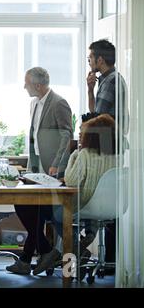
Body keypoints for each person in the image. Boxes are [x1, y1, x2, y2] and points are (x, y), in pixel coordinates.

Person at [6, 67, 72, 275]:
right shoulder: (34, 103)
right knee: (24, 205)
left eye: (26, 83)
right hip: (36, 168)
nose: (24, 86)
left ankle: (28, 259)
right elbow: (34, 136)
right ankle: (44, 252)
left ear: (37, 84)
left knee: (38, 211)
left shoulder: (59, 103)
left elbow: (66, 136)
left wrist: (57, 164)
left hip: (52, 169)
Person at [87, 39, 129, 267]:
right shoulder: (108, 80)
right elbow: (97, 115)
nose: (89, 62)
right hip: (110, 146)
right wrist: (90, 90)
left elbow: (97, 120)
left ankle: (109, 259)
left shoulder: (111, 81)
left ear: (100, 60)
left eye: (90, 58)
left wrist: (90, 91)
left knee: (106, 204)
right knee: (110, 206)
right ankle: (109, 258)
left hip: (108, 148)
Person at [53, 113, 116, 261]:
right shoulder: (117, 156)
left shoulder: (85, 154)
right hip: (113, 208)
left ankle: (74, 247)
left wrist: (75, 154)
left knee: (55, 213)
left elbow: (70, 181)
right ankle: (79, 246)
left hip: (86, 205)